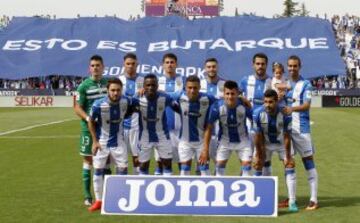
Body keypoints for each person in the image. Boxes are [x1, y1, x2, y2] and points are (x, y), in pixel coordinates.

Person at [87, 78, 136, 212]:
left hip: (119, 142)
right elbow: (90, 121)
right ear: (107, 91)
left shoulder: (126, 101)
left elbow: (138, 102)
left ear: (122, 90)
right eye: (113, 90)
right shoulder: (98, 104)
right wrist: (95, 141)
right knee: (97, 170)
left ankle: (119, 199)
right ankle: (98, 201)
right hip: (102, 142)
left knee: (122, 170)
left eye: (118, 90)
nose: (115, 93)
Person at [282, 55, 319, 210]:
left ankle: (314, 200)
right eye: (290, 66)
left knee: (308, 162)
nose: (292, 69)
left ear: (300, 66)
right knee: (288, 163)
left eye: (295, 66)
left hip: (302, 129)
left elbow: (307, 105)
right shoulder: (285, 84)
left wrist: (292, 108)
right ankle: (291, 200)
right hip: (287, 130)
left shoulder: (306, 84)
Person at [252, 89, 298, 212]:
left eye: (271, 102)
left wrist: (288, 156)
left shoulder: (285, 114)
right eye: (265, 102)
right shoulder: (257, 113)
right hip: (265, 143)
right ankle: (265, 199)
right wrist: (259, 155)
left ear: (277, 101)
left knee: (290, 165)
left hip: (282, 143)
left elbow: (287, 137)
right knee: (258, 165)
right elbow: (257, 136)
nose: (268, 105)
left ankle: (292, 201)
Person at [73, 55, 108, 206]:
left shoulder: (108, 83)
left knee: (106, 161)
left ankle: (106, 194)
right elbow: (76, 107)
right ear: (89, 68)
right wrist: (88, 118)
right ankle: (88, 196)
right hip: (89, 129)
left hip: (106, 128)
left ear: (103, 67)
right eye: (93, 65)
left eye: (98, 65)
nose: (95, 68)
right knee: (88, 160)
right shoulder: (83, 86)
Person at [200, 81, 253, 176]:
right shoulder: (217, 107)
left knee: (247, 167)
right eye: (227, 94)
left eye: (233, 94)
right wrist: (205, 150)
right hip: (224, 140)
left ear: (237, 94)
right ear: (223, 94)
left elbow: (254, 119)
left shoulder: (244, 105)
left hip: (243, 141)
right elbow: (208, 128)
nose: (230, 97)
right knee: (219, 167)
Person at [134, 74, 180, 175]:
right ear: (144, 86)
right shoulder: (137, 98)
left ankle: (168, 188)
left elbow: (178, 108)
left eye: (153, 85)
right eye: (148, 85)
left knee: (167, 164)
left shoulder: (165, 97)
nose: (151, 87)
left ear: (157, 86)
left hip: (162, 135)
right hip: (144, 136)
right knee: (143, 166)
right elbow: (126, 110)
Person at [173, 75, 216, 176]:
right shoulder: (179, 96)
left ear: (200, 88)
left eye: (195, 88)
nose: (192, 91)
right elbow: (163, 96)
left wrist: (241, 99)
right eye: (189, 88)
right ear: (185, 88)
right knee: (184, 171)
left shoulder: (208, 98)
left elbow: (223, 102)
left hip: (201, 142)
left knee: (204, 170)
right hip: (184, 141)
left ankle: (207, 191)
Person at [239, 53, 272, 175]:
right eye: (258, 64)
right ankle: (246, 185)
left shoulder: (271, 82)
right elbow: (236, 96)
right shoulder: (245, 81)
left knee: (265, 158)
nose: (260, 66)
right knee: (247, 159)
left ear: (266, 65)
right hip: (248, 125)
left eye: (263, 64)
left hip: (266, 125)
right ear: (253, 65)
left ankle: (264, 189)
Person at [155, 53, 185, 175]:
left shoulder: (182, 80)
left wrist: (164, 95)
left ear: (176, 64)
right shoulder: (157, 81)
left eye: (172, 62)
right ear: (162, 65)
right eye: (167, 62)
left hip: (180, 127)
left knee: (181, 161)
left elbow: (183, 94)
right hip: (162, 128)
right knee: (160, 161)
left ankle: (183, 186)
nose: (170, 65)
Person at [119, 53, 144, 175]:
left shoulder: (143, 80)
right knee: (121, 159)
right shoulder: (119, 80)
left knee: (137, 157)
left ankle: (137, 184)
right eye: (128, 64)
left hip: (137, 126)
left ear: (137, 64)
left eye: (133, 64)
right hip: (120, 125)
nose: (130, 66)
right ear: (124, 64)